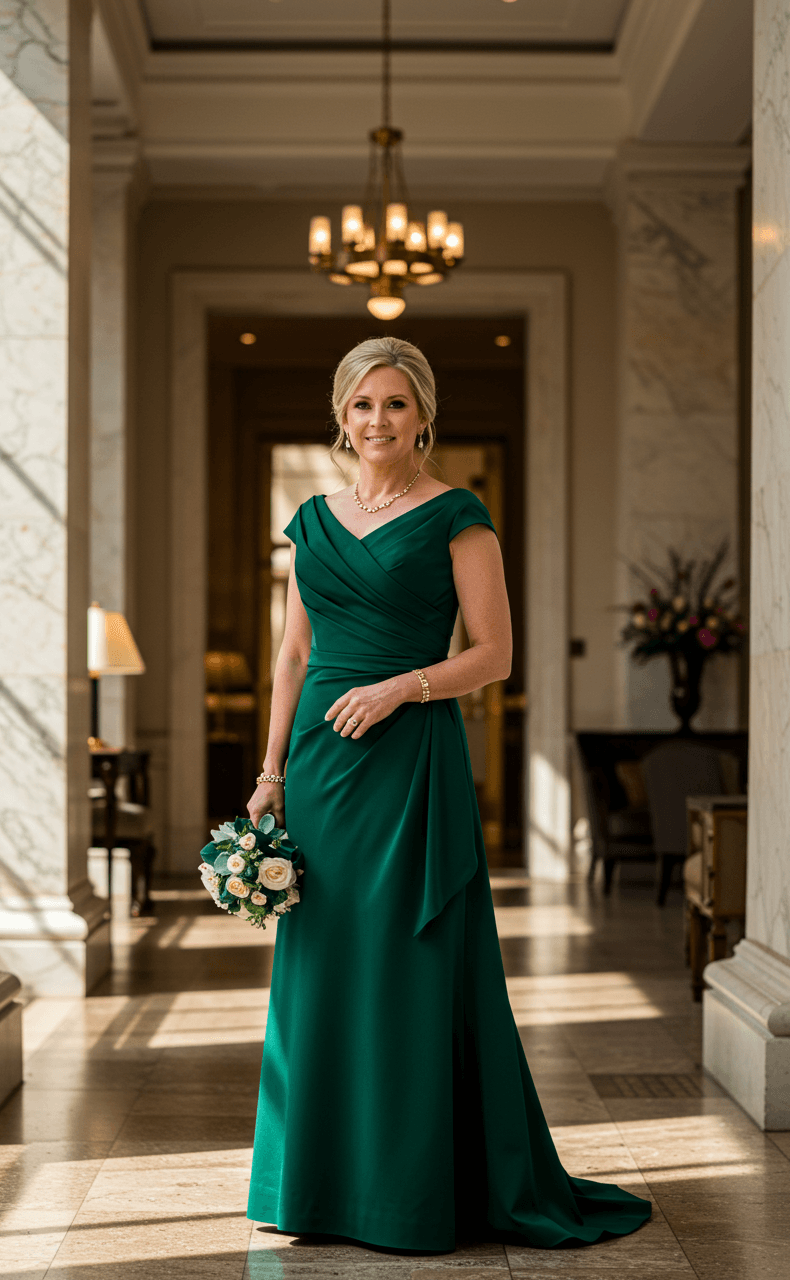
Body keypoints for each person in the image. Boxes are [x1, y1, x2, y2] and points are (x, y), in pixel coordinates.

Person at [245, 336, 651, 1253]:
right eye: (361, 405)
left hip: (408, 766)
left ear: (423, 415)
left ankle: (404, 1193)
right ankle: (310, 1187)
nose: (377, 420)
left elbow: (495, 656)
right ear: (340, 416)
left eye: (394, 404)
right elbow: (294, 656)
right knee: (322, 972)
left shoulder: (459, 516)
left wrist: (402, 687)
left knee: (404, 968)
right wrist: (271, 775)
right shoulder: (311, 520)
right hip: (318, 768)